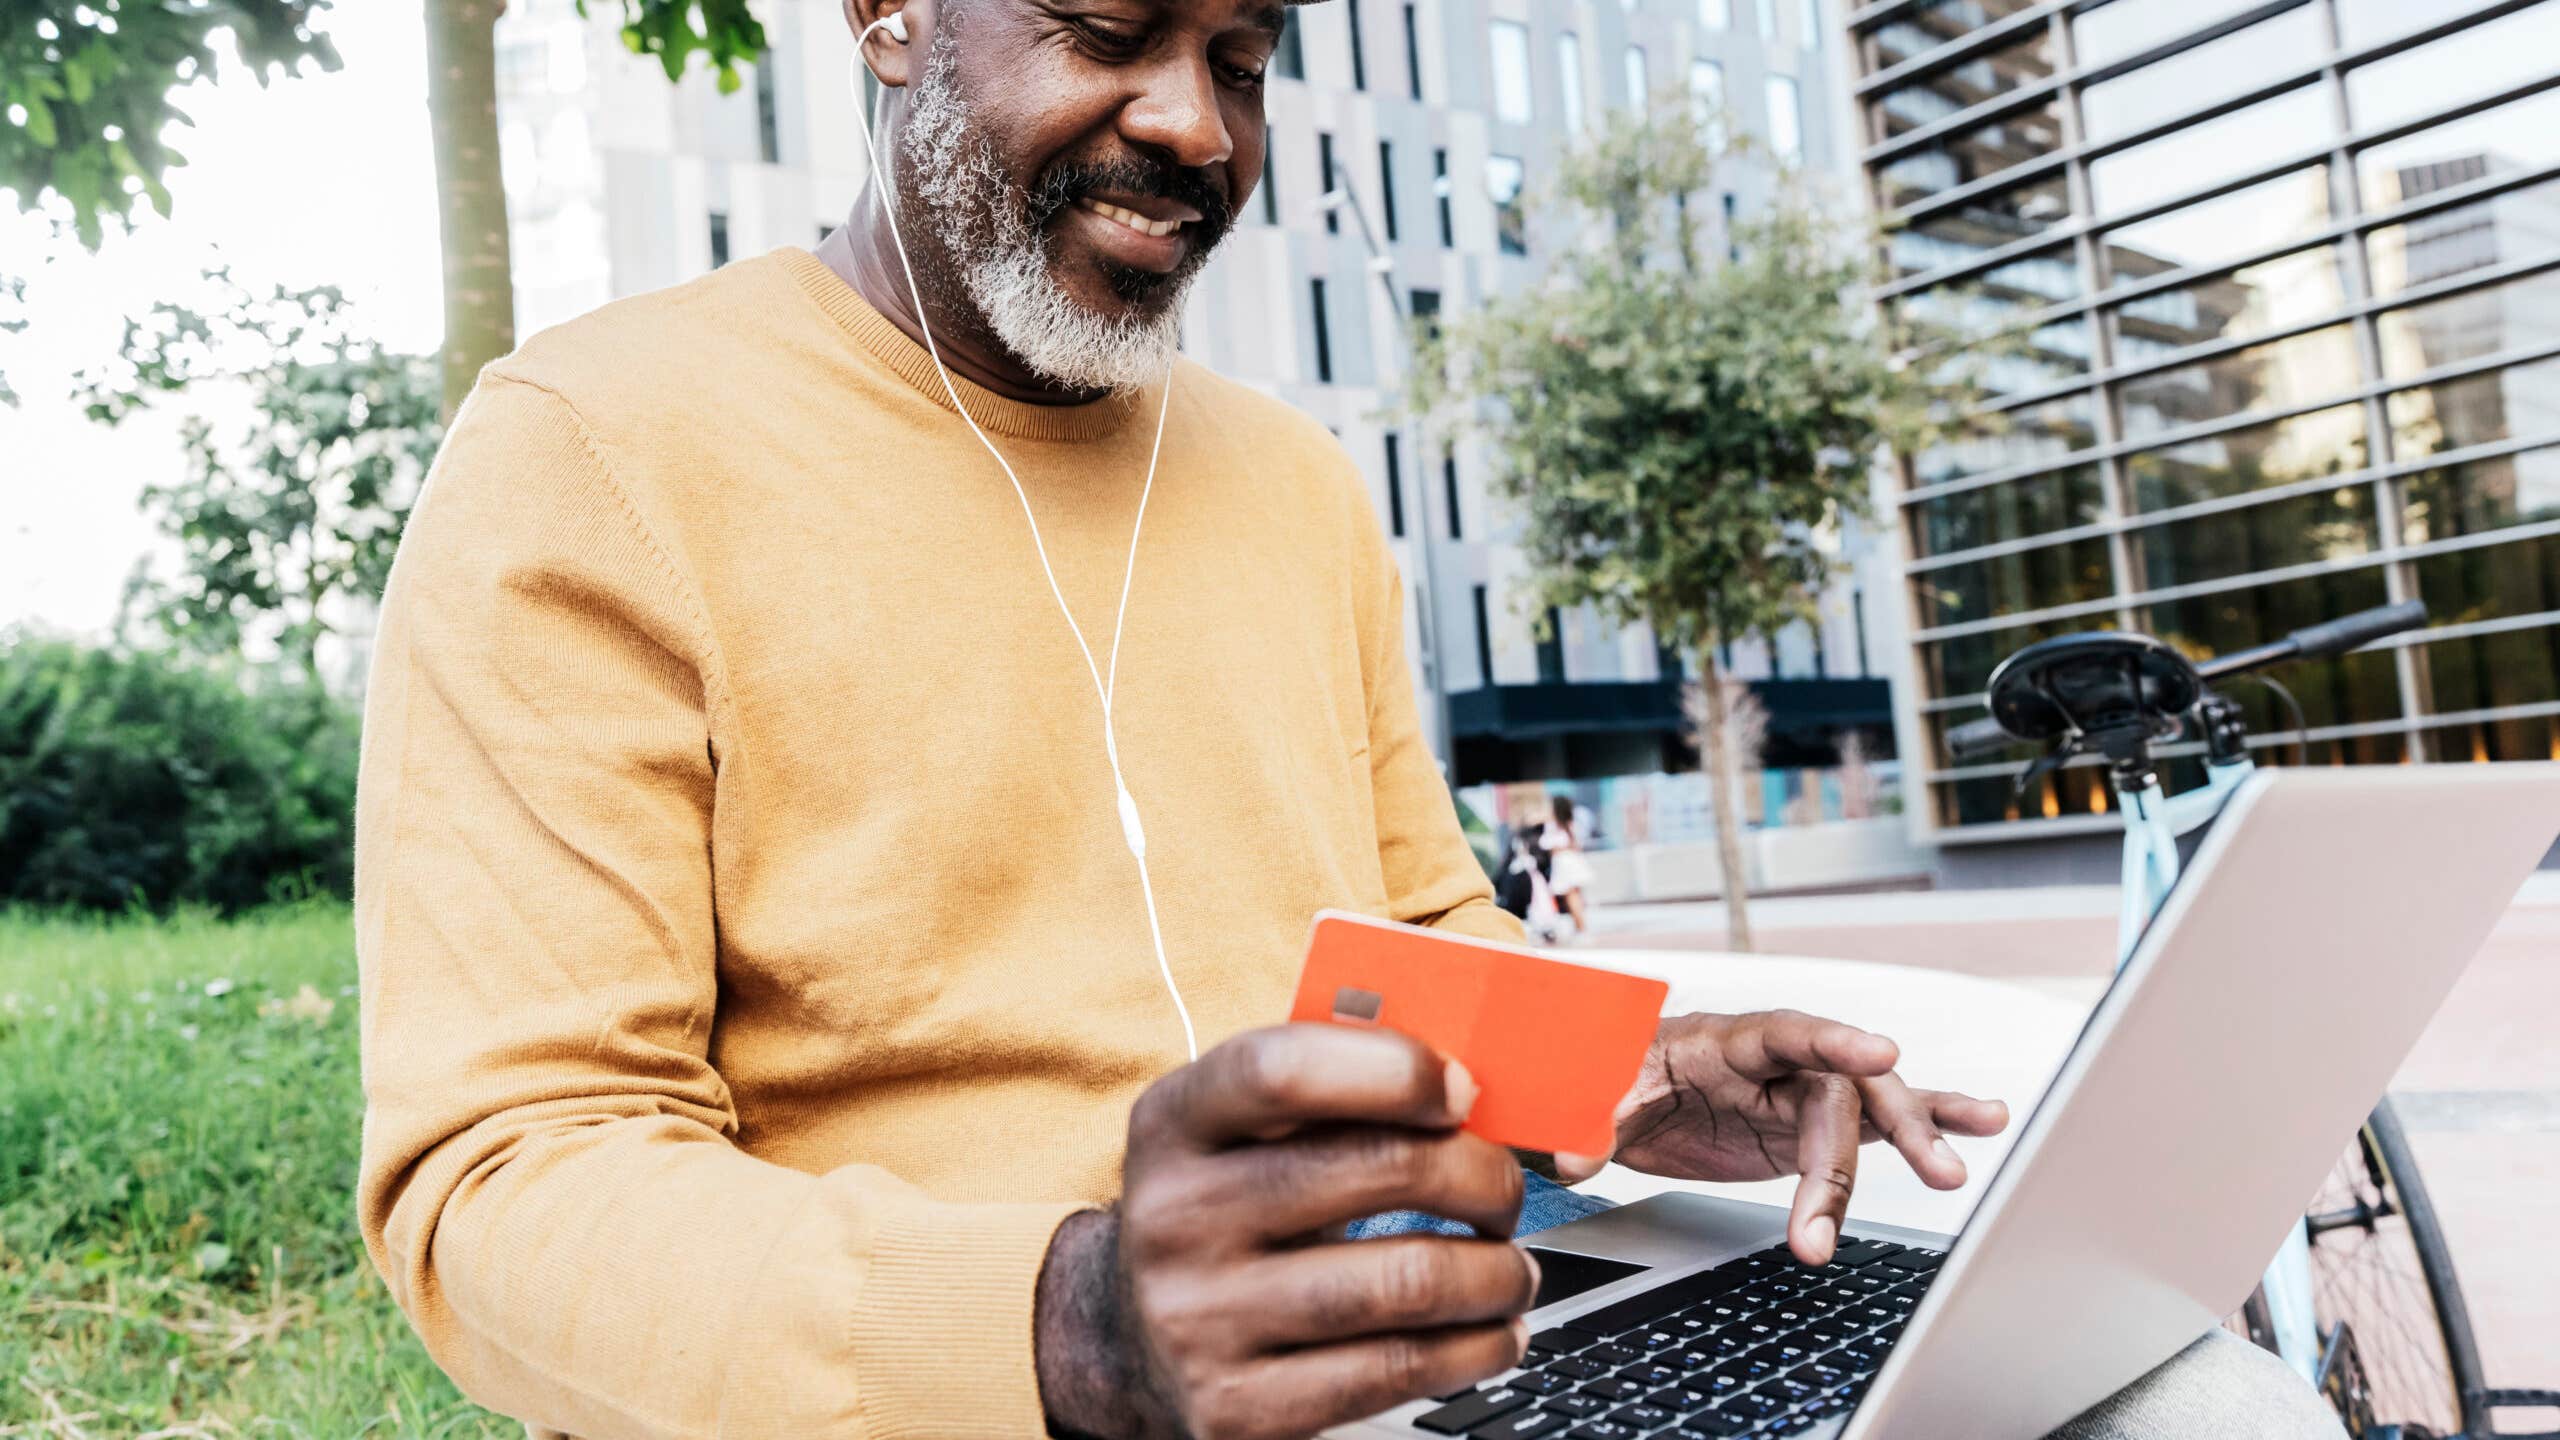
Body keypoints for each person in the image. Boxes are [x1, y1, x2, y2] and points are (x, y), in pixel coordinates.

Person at [350, 3, 2347, 1437]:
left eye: (1239, 57)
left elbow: (1421, 952)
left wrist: (1629, 1067)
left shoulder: (1293, 483)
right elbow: (501, 1184)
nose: (1198, 126)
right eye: (1112, 29)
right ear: (883, 16)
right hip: (994, 1403)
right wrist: (1055, 1327)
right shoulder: (592, 451)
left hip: (1450, 1349)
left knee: (2188, 1394)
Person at [1541, 795, 1598, 939]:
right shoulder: (1572, 824)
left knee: (1572, 898)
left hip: (1564, 863)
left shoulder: (1553, 824)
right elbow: (1578, 844)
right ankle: (1580, 928)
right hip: (1573, 860)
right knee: (1575, 897)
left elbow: (1546, 843)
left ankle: (1582, 930)